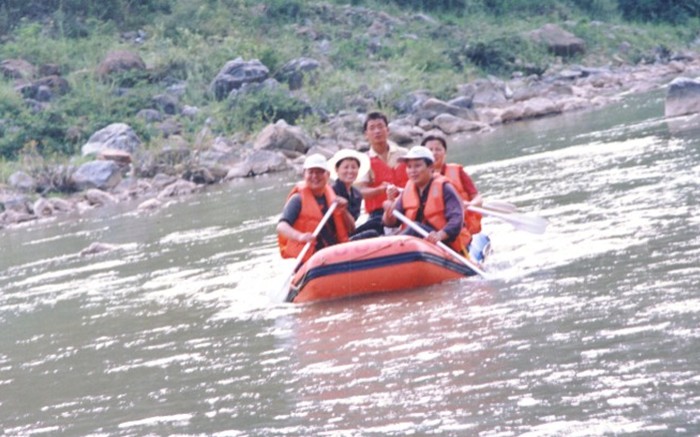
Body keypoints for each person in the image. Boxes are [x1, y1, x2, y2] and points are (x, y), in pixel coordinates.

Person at [382, 146, 471, 253]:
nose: (412, 171)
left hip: (445, 243)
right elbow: (391, 223)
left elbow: (457, 220)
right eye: (409, 167)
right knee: (372, 229)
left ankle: (389, 249)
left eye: (417, 166)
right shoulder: (408, 191)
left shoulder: (445, 188)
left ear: (430, 167)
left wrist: (439, 235)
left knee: (416, 227)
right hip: (420, 244)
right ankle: (384, 249)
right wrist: (389, 210)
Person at [277, 154, 350, 263]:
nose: (315, 176)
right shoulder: (297, 200)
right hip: (311, 258)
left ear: (328, 175)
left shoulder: (334, 198)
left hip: (333, 252)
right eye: (311, 172)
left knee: (371, 233)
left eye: (319, 172)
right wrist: (300, 236)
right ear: (304, 175)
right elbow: (281, 226)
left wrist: (344, 211)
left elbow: (351, 229)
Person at [356, 111, 409, 234]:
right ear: (366, 134)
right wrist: (380, 189)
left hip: (407, 206)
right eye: (372, 128)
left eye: (380, 126)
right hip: (379, 213)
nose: (377, 131)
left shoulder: (404, 154)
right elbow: (362, 192)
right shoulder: (364, 160)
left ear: (387, 130)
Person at [422, 135, 484, 235]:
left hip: (460, 225)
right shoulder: (417, 177)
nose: (434, 153)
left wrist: (470, 204)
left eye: (438, 149)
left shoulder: (457, 171)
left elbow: (477, 197)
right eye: (430, 150)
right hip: (432, 228)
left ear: (445, 153)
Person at [328, 148, 380, 240]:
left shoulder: (357, 194)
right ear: (337, 169)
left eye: (353, 167)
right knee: (372, 233)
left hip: (349, 231)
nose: (350, 171)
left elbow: (352, 225)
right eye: (346, 167)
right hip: (334, 235)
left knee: (377, 221)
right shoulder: (331, 191)